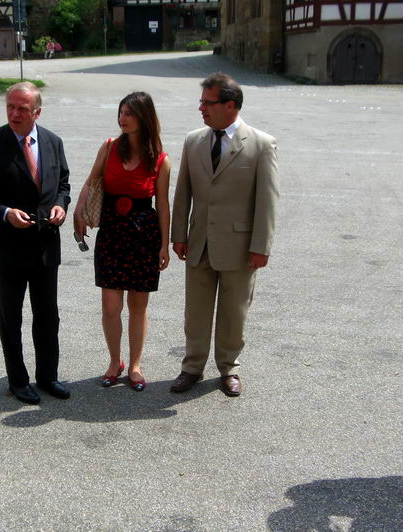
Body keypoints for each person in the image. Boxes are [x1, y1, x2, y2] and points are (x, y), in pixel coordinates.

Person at [170, 72, 279, 397]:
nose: (201, 108)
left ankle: (229, 368)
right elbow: (183, 192)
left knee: (234, 312)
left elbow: (268, 200)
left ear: (230, 105)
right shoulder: (193, 141)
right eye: (201, 102)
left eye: (208, 103)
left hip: (240, 246)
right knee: (196, 312)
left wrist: (261, 245)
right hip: (199, 242)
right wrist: (179, 234)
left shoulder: (261, 144)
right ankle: (192, 367)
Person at [0, 82, 71, 405]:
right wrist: (4, 213)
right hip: (6, 249)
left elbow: (64, 184)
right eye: (10, 107)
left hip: (44, 246)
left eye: (22, 109)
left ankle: (48, 376)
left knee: (47, 316)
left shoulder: (53, 142)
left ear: (37, 112)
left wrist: (61, 205)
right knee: (10, 318)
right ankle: (18, 380)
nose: (14, 113)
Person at [74, 92, 171, 392]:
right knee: (110, 305)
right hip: (113, 234)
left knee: (138, 305)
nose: (122, 117)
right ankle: (114, 361)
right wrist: (78, 212)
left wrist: (164, 245)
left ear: (144, 117)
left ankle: (135, 365)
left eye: (129, 113)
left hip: (144, 236)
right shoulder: (109, 147)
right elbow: (91, 181)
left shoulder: (161, 160)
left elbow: (163, 205)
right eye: (121, 111)